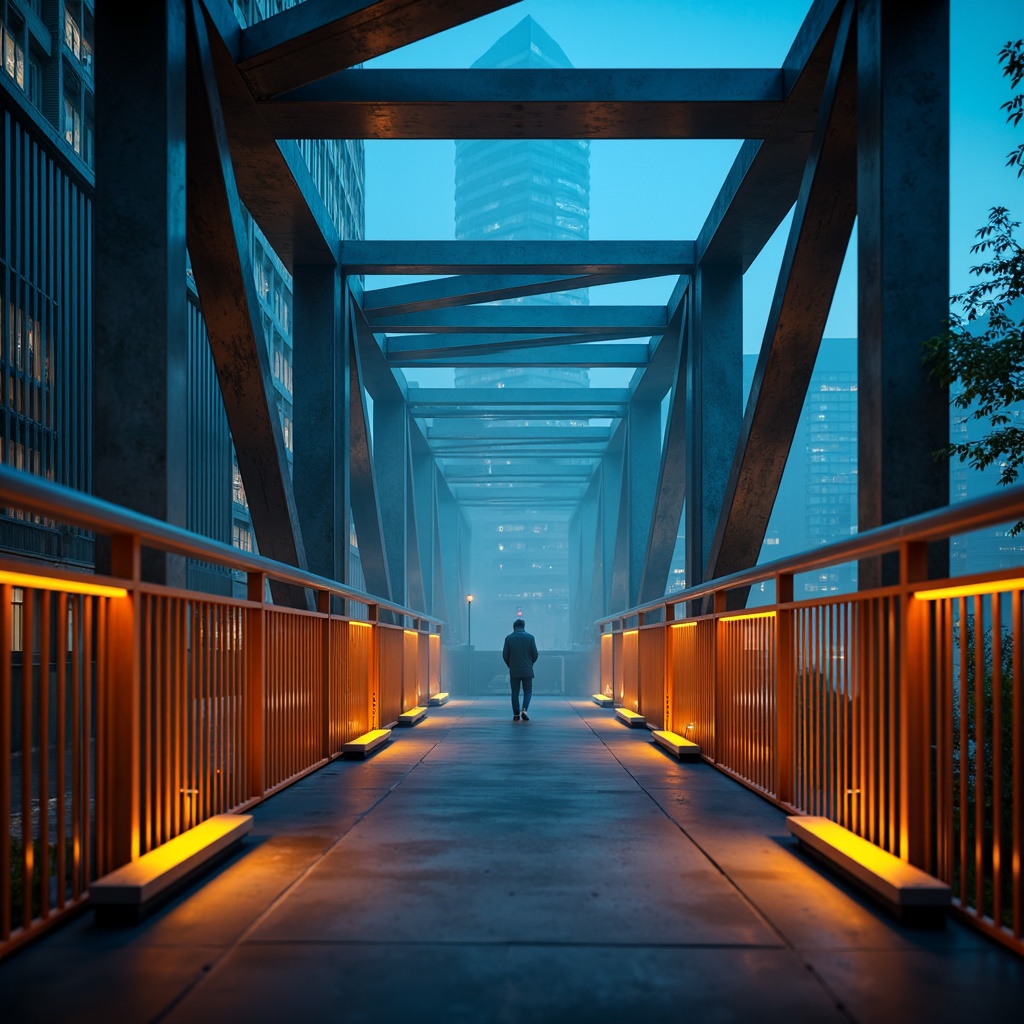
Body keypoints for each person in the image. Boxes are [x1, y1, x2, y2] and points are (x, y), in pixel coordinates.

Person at [502, 618, 538, 721]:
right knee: (528, 691)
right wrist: (530, 664)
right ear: (523, 626)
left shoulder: (509, 638)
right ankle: (524, 709)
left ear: (514, 627)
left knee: (515, 692)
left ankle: (516, 714)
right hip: (527, 669)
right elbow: (535, 654)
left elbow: (505, 655)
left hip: (514, 670)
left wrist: (510, 665)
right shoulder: (530, 638)